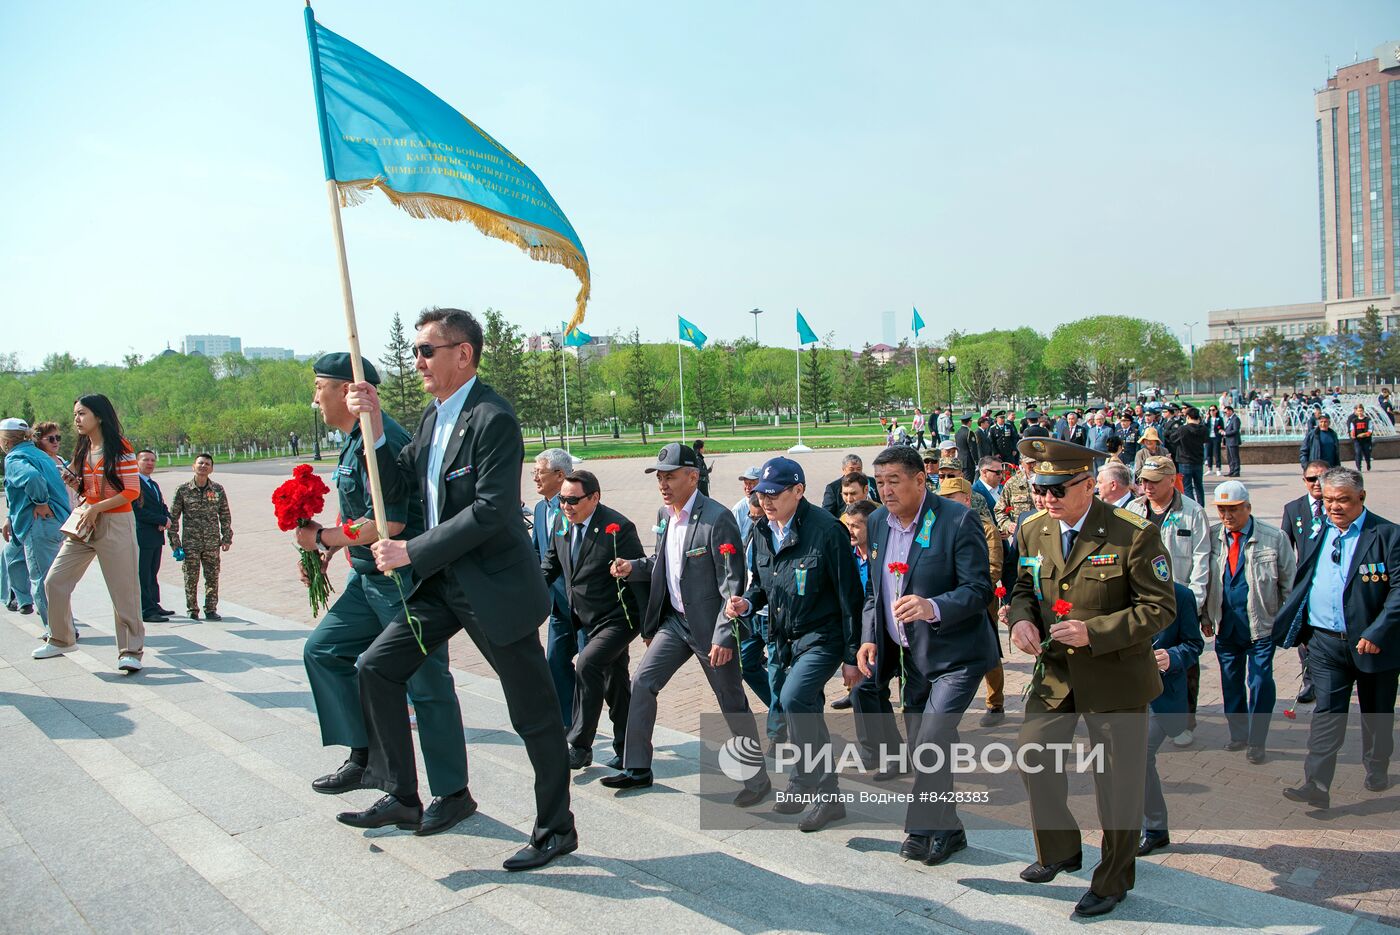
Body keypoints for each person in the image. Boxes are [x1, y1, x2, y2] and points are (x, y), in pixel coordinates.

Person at [345, 306, 575, 871]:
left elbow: (493, 511)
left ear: (463, 354)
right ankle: (403, 796)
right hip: (441, 587)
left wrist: (411, 551)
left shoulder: (492, 418)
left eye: (427, 350)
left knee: (534, 716)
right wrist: (372, 427)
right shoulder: (431, 417)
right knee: (376, 666)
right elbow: (400, 480)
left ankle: (556, 829)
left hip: (492, 590)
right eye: (416, 351)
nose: (417, 360)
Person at [296, 353, 470, 835]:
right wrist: (331, 548)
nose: (315, 398)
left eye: (319, 387)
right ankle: (366, 756)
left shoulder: (383, 439)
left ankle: (453, 794)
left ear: (348, 391)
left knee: (427, 686)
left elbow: (389, 523)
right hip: (366, 579)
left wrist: (325, 538)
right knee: (324, 650)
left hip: (403, 583)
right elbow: (360, 514)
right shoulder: (355, 441)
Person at [1008, 436, 1175, 918]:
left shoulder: (1133, 532)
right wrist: (1019, 618)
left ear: (1087, 486)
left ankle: (1113, 878)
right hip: (1057, 671)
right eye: (1040, 489)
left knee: (1116, 783)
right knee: (1033, 753)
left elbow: (1159, 607)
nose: (1046, 499)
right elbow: (1023, 584)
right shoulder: (1033, 529)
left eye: (1057, 490)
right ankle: (1059, 850)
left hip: (1116, 677)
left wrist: (1094, 632)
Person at [604, 443, 770, 806]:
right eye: (659, 477)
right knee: (643, 681)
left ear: (693, 477)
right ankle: (637, 768)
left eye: (670, 476)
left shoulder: (717, 518)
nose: (663, 484)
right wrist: (634, 567)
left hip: (711, 628)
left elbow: (733, 583)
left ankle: (757, 781)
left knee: (731, 701)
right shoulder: (666, 516)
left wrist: (725, 636)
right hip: (675, 624)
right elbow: (663, 564)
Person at [854, 445, 995, 867]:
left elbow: (978, 589)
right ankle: (950, 828)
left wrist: (933, 606)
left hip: (956, 655)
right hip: (909, 657)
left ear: (920, 479)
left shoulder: (957, 520)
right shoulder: (877, 522)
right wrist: (869, 636)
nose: (886, 491)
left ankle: (920, 829)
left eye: (894, 481)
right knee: (924, 746)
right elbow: (873, 594)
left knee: (932, 739)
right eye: (879, 483)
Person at [727, 457, 863, 832]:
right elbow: (760, 586)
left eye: (774, 493)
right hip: (785, 638)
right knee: (805, 707)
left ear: (798, 491)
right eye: (761, 494)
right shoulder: (762, 531)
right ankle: (806, 781)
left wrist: (851, 657)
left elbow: (850, 597)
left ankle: (825, 790)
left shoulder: (827, 531)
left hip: (824, 635)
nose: (765, 501)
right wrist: (747, 602)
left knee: (794, 698)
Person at [1273, 467, 1400, 807]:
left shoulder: (1387, 535)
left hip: (1375, 645)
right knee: (1327, 714)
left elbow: (1399, 591)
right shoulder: (1318, 532)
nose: (1334, 507)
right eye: (1328, 500)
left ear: (1362, 498)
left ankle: (1376, 766)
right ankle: (1316, 784)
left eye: (1343, 500)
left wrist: (1377, 631)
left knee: (1377, 714)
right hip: (1326, 642)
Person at [33, 394, 146, 673]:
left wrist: (97, 508)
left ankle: (130, 651)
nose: (76, 420)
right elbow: (90, 489)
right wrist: (77, 485)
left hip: (116, 524)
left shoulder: (120, 448)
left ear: (99, 416)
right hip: (86, 521)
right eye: (75, 415)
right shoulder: (84, 448)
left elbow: (131, 491)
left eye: (82, 414)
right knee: (55, 580)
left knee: (124, 592)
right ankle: (61, 638)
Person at [540, 469, 644, 772]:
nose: (566, 506)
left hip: (618, 618)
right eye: (562, 499)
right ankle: (628, 748)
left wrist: (649, 625)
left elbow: (639, 574)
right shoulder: (561, 522)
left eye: (573, 500)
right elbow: (551, 563)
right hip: (584, 617)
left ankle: (580, 744)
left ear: (594, 498)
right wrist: (528, 592)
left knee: (586, 664)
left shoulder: (618, 527)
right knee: (615, 683)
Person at [1203, 481, 1295, 765]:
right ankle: (1239, 734)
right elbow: (1205, 580)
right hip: (1226, 626)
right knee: (1230, 682)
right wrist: (1205, 617)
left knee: (1260, 680)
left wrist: (1284, 622)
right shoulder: (1213, 537)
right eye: (1222, 510)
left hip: (1261, 626)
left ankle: (1257, 740)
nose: (1227, 516)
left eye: (1233, 510)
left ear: (1248, 508)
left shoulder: (1273, 538)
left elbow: (1289, 584)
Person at [1127, 455, 1210, 745]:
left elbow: (1202, 559)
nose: (1146, 487)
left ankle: (1184, 721)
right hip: (1143, 595)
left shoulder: (1192, 512)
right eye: (1143, 481)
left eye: (1152, 481)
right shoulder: (1133, 509)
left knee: (1183, 665)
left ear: (1171, 480)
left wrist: (1196, 601)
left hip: (1180, 598)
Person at [1139, 582, 1203, 857]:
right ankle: (1151, 827)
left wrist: (1173, 656)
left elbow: (1194, 644)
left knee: (1139, 755)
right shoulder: (1115, 589)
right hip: (1122, 692)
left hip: (1162, 696)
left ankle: (1154, 829)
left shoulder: (1180, 595)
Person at [938, 475, 1006, 727]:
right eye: (942, 498)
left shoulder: (987, 528)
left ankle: (995, 703)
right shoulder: (937, 527)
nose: (945, 502)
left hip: (980, 600)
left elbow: (994, 568)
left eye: (951, 498)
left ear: (966, 499)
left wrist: (966, 590)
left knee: (988, 651)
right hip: (947, 602)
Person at [2, 419, 70, 634]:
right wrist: (10, 517)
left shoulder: (15, 458)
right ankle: (21, 599)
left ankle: (58, 632)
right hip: (50, 522)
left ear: (5, 440)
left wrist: (40, 502)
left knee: (43, 580)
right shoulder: (39, 454)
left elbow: (31, 478)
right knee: (11, 555)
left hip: (40, 524)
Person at [531, 447, 580, 727]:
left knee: (596, 670)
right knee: (556, 662)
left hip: (584, 605)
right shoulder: (540, 509)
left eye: (539, 472)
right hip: (558, 606)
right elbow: (537, 555)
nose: (535, 478)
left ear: (560, 475)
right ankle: (570, 723)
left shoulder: (578, 507)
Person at [1282, 461, 1332, 704]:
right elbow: (1285, 549)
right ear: (1304, 481)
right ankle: (1310, 680)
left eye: (1321, 478)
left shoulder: (1338, 506)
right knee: (1305, 635)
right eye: (1311, 479)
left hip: (1333, 582)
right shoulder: (1293, 508)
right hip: (1305, 585)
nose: (1316, 483)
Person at [167, 453, 232, 620]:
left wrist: (226, 538)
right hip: (191, 543)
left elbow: (224, 515)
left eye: (207, 464)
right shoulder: (183, 490)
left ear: (211, 468)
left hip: (211, 542)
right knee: (190, 577)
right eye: (200, 463)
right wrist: (175, 542)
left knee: (212, 576)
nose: (203, 466)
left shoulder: (217, 489)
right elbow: (173, 517)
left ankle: (210, 609)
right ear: (193, 466)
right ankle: (192, 610)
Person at [132, 449, 173, 623]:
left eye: (152, 460)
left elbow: (161, 505)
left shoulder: (152, 484)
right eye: (145, 460)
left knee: (153, 572)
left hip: (156, 535)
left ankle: (154, 604)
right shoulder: (134, 484)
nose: (150, 463)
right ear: (136, 462)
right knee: (143, 573)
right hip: (143, 535)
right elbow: (138, 511)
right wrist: (161, 519)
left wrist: (167, 517)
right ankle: (145, 609)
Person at [1175, 407, 1209, 506]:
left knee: (1187, 487)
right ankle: (1201, 506)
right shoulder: (1204, 429)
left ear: (1188, 417)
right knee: (1199, 486)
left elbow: (1173, 439)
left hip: (1185, 460)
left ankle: (1193, 507)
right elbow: (1206, 440)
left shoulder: (1183, 429)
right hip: (1198, 461)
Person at [1347, 403, 1374, 471]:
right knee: (1358, 452)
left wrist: (1364, 434)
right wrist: (1352, 434)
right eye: (1358, 411)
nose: (1360, 412)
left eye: (1361, 411)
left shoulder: (1367, 420)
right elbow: (1352, 429)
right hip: (1357, 440)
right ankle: (1359, 468)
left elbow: (1370, 430)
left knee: (1367, 453)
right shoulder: (1354, 420)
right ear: (1356, 411)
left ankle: (1368, 463)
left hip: (1366, 440)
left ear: (1363, 411)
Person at [954, 415, 978, 480]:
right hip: (969, 462)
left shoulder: (957, 432)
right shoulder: (969, 433)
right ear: (969, 422)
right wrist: (976, 462)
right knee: (968, 482)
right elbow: (973, 449)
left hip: (960, 459)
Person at [1204, 404, 1224, 476]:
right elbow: (1204, 426)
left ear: (1216, 410)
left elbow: (1221, 427)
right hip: (1209, 438)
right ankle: (1210, 469)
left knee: (1217, 453)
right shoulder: (1208, 419)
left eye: (1213, 410)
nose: (1211, 411)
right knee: (1209, 454)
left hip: (1216, 438)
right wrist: (1206, 418)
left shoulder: (1219, 418)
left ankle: (1218, 469)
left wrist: (1221, 436)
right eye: (1210, 410)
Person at [1221, 406, 1242, 477]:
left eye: (1225, 412)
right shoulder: (1230, 419)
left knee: (1234, 457)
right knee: (1230, 457)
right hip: (1228, 441)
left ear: (1230, 411)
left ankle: (1236, 471)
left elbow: (1235, 430)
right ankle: (1231, 470)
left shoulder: (1235, 419)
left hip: (1233, 441)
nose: (1225, 413)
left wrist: (1225, 433)